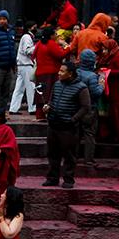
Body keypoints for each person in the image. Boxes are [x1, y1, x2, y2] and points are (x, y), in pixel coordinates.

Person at [42, 61, 89, 189]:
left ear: (70, 74)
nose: (59, 73)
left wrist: (73, 119)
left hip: (68, 127)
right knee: (52, 153)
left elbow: (85, 107)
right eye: (59, 70)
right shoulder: (57, 85)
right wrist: (48, 108)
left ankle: (68, 179)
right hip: (53, 124)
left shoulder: (81, 88)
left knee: (69, 155)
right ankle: (52, 178)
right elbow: (52, 101)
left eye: (62, 71)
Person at [76, 48, 105, 164]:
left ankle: (74, 156)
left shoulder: (76, 72)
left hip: (76, 107)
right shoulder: (92, 76)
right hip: (89, 108)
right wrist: (101, 85)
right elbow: (96, 92)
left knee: (76, 133)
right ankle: (88, 159)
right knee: (89, 133)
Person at [33, 28, 68, 120]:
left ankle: (39, 115)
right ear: (51, 35)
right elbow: (60, 55)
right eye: (55, 34)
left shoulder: (39, 43)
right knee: (49, 94)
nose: (56, 36)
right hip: (50, 73)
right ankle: (48, 115)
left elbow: (33, 55)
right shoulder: (51, 44)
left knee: (40, 94)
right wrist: (67, 47)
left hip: (40, 72)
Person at [9, 22, 36, 117]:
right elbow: (27, 51)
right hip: (26, 64)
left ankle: (13, 108)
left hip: (22, 64)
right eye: (34, 27)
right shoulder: (27, 37)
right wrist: (37, 47)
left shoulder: (26, 37)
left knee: (19, 88)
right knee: (31, 87)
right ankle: (32, 108)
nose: (35, 28)